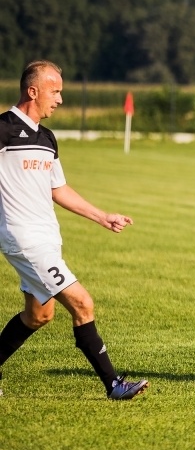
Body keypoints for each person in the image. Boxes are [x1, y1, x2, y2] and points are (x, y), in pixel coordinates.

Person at [0, 60, 149, 400]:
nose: (60, 99)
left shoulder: (47, 138)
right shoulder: (4, 129)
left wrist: (102, 216)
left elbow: (59, 190)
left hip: (46, 240)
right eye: (55, 91)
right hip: (24, 240)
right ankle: (114, 384)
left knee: (38, 315)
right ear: (32, 91)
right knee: (82, 303)